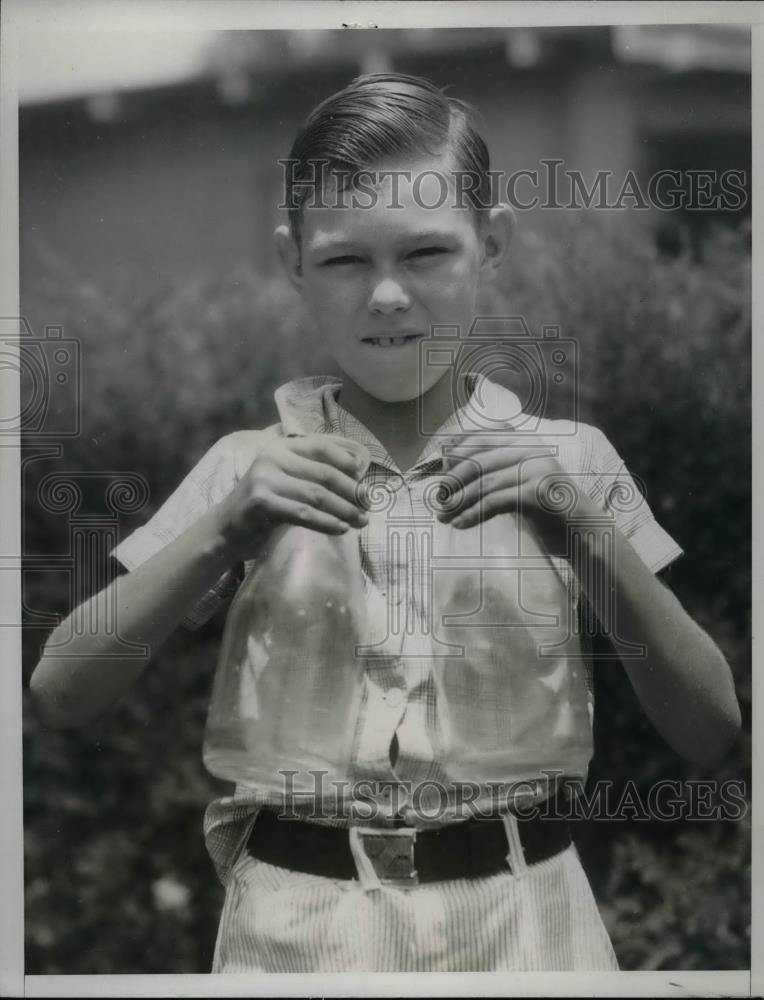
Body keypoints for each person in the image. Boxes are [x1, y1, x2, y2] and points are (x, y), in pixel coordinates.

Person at [29, 73, 741, 973]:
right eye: (344, 260)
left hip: (527, 922)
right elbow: (59, 693)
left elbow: (711, 729)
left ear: (493, 242)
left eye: (427, 253)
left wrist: (587, 533)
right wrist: (222, 536)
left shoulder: (570, 462)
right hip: (299, 927)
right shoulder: (250, 469)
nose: (389, 296)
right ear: (293, 262)